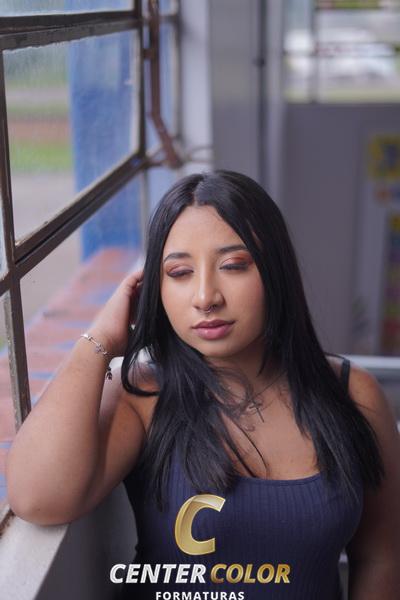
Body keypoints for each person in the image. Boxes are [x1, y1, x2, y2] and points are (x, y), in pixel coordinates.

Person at [5, 170, 400, 599]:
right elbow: (37, 497)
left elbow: (382, 556)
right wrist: (98, 341)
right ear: (154, 289)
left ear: (276, 271)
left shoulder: (351, 393)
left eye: (233, 266)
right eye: (179, 273)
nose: (206, 297)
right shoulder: (144, 395)